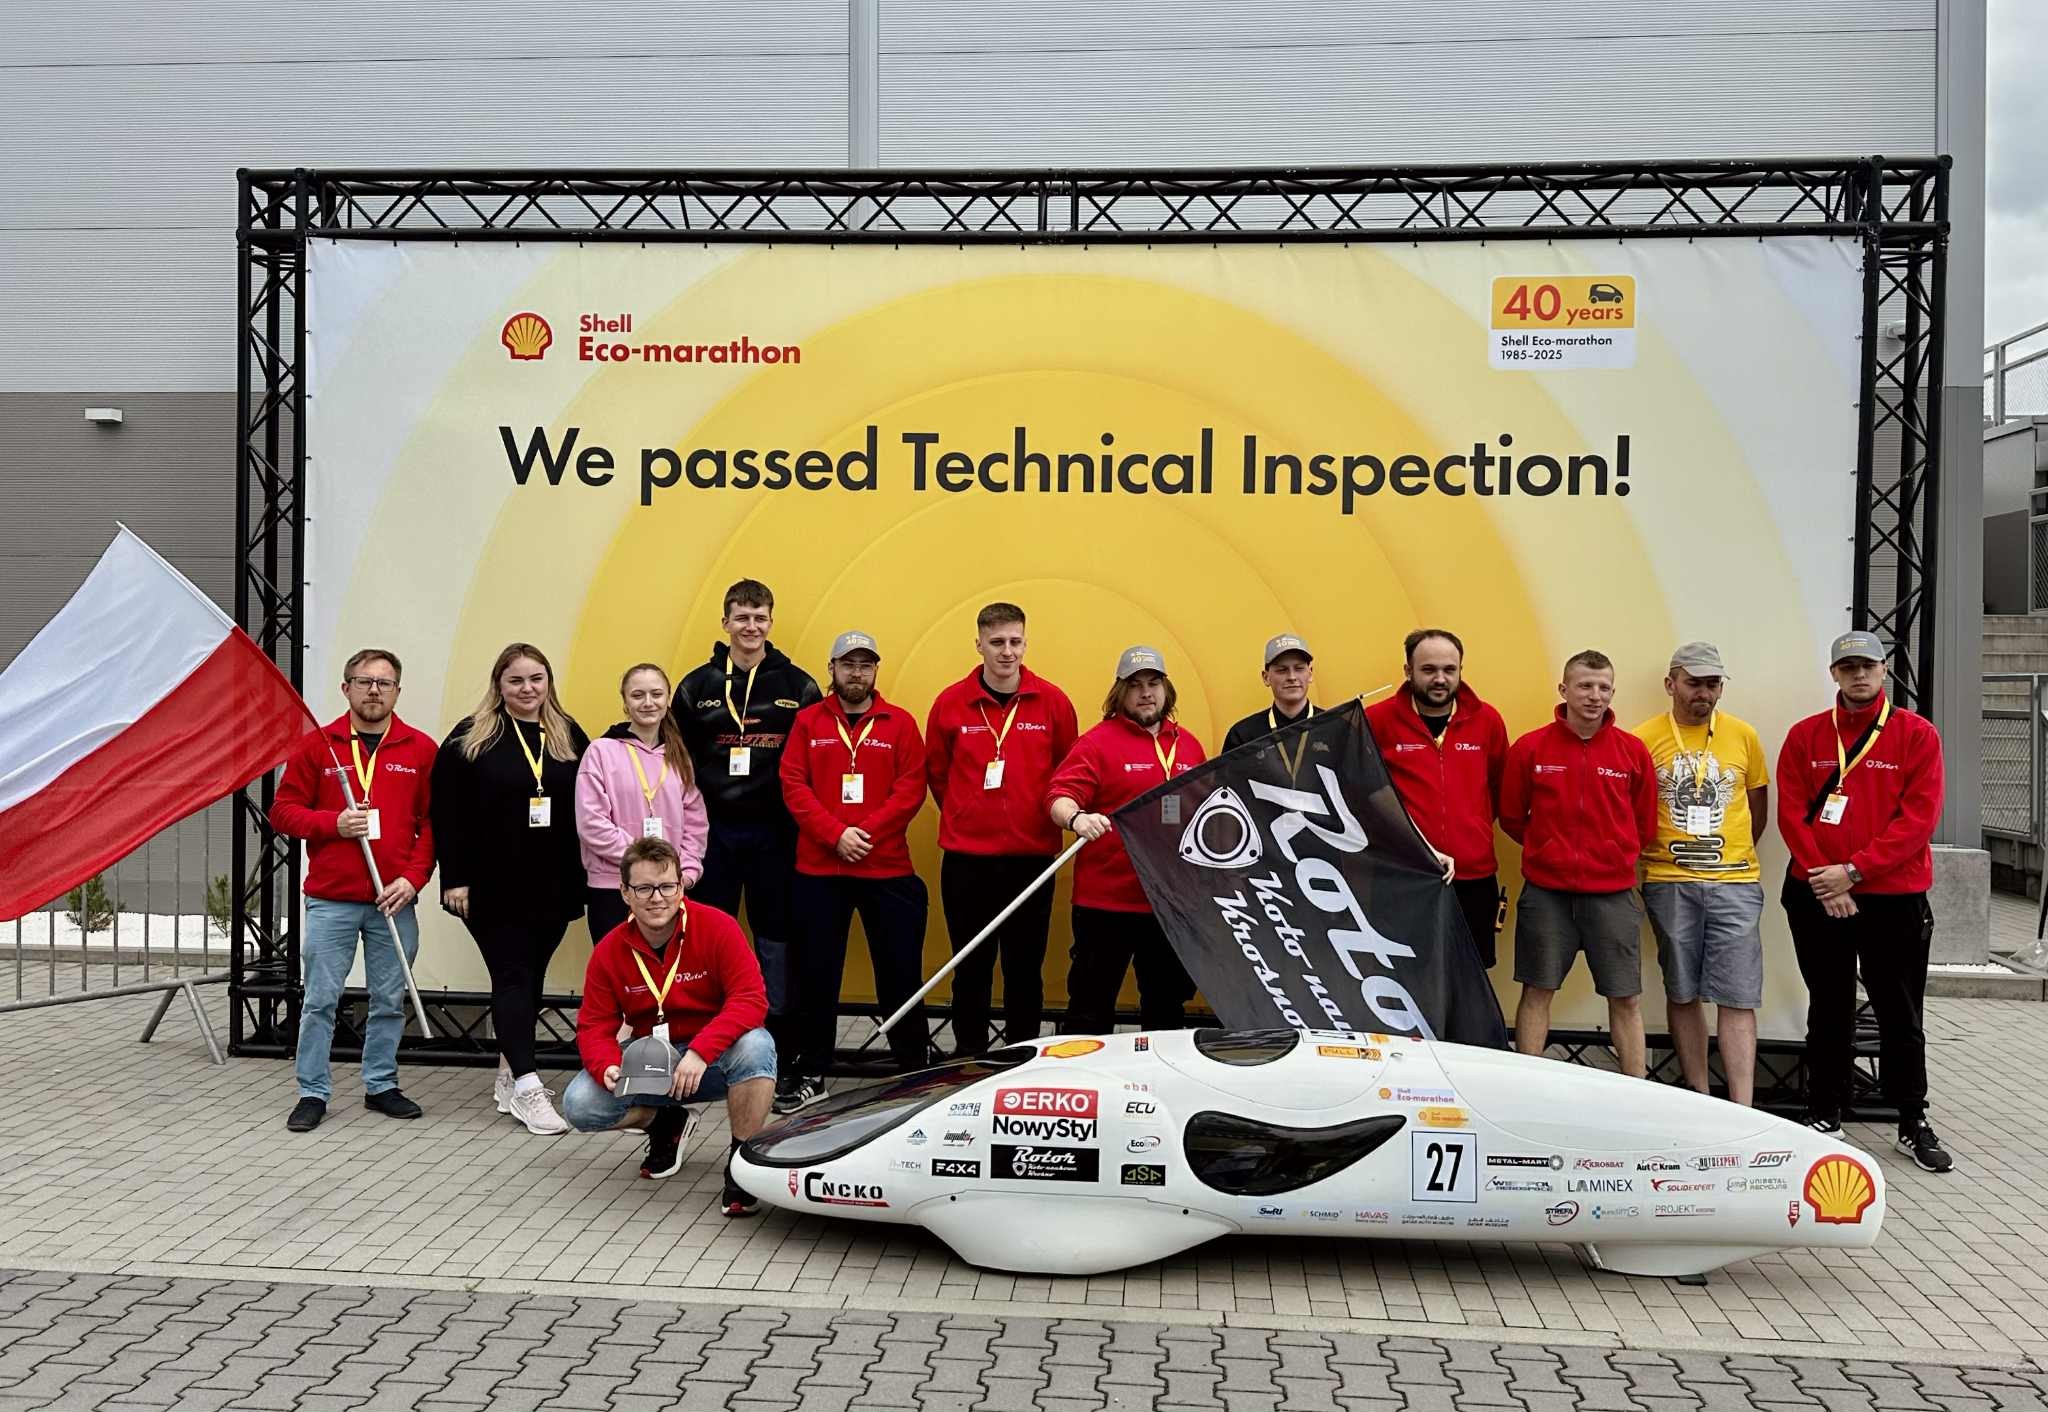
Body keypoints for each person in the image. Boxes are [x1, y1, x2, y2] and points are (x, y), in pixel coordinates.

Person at [1777, 631, 1950, 1171]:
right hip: (1818, 893)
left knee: (1900, 1012)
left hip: (1891, 896)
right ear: (1834, 673)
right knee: (1829, 1006)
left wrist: (1853, 872)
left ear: (1884, 670)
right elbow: (1791, 813)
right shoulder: (1806, 735)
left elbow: (1918, 821)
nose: (1858, 675)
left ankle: (1911, 1119)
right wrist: (1825, 881)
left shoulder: (1916, 734)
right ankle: (1825, 1112)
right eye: (1848, 667)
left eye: (1867, 666)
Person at [562, 836, 776, 1216]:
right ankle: (665, 1121)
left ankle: (741, 1166)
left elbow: (750, 999)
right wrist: (606, 1065)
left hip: (711, 1058)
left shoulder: (718, 927)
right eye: (644, 888)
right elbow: (594, 1025)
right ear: (625, 893)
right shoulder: (610, 950)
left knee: (757, 1046)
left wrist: (700, 1052)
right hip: (653, 1061)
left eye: (666, 886)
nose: (656, 898)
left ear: (681, 887)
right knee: (580, 1104)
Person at [269, 649, 436, 1132]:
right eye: (364, 681)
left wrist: (413, 879)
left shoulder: (420, 749)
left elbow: (432, 825)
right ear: (346, 688)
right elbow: (283, 812)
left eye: (384, 683)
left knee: (388, 999)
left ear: (398, 691)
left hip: (393, 899)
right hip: (332, 900)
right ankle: (312, 1091)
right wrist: (333, 824)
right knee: (321, 999)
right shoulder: (317, 746)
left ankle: (380, 1084)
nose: (374, 691)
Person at [430, 642, 591, 1135]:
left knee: (531, 980)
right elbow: (446, 812)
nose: (527, 689)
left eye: (536, 679)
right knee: (513, 976)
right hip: (491, 885)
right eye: (516, 680)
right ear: (499, 685)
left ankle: (507, 1074)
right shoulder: (471, 737)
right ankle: (527, 1086)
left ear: (549, 683)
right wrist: (454, 877)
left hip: (554, 883)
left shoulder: (567, 734)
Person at [777, 630, 931, 1111]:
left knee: (900, 974)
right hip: (819, 871)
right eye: (848, 664)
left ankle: (912, 1071)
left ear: (875, 670)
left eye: (865, 665)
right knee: (815, 976)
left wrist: (863, 833)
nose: (857, 673)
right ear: (832, 669)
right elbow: (793, 783)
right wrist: (834, 834)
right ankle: (813, 1071)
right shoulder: (807, 722)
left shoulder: (900, 724)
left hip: (886, 868)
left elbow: (911, 788)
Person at [674, 579, 821, 1083]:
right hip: (712, 834)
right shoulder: (696, 687)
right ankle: (708, 1042)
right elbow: (676, 760)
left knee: (775, 938)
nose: (750, 626)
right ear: (725, 623)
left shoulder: (798, 686)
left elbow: (813, 762)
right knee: (709, 935)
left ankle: (777, 1042)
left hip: (776, 835)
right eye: (742, 617)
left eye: (759, 618)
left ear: (771, 623)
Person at [924, 603, 1080, 1057]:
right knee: (970, 968)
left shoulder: (1053, 702)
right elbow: (938, 773)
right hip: (966, 862)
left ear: (1026, 643)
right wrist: (967, 816)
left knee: (1023, 969)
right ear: (979, 645)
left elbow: (1067, 771)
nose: (1006, 651)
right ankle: (970, 1061)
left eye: (1014, 641)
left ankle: (1020, 1058)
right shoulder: (950, 703)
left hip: (1031, 861)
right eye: (996, 642)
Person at [1499, 649, 1657, 1076]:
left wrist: (1612, 856)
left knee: (1626, 998)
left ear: (1612, 692)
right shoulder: (1530, 747)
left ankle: (1636, 1090)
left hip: (1613, 896)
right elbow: (1511, 816)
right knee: (1537, 990)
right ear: (1564, 689)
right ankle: (1526, 1083)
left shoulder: (1632, 751)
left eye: (1603, 687)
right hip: (1546, 895)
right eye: (1585, 686)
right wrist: (1548, 850)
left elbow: (1645, 824)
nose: (1594, 695)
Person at [1631, 642, 1772, 1106]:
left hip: (1735, 882)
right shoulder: (1643, 739)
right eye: (1694, 683)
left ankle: (1743, 1106)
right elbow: (1634, 810)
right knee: (1682, 991)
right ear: (1670, 684)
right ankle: (1699, 1095)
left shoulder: (1743, 735)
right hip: (1669, 880)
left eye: (1713, 684)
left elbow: (1757, 809)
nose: (1704, 693)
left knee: (1738, 995)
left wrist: (1730, 856)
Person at [1046, 646, 1208, 1035]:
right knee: (1090, 1006)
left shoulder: (1188, 745)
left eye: (1154, 683)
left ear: (1166, 689)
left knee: (1165, 1008)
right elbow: (1058, 797)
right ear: (1121, 692)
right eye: (1135, 685)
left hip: (1168, 903)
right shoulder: (1096, 743)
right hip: (1106, 904)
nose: (1146, 693)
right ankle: (1082, 1073)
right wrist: (1077, 818)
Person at [1366, 628, 1511, 967]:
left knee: (1470, 976)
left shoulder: (1487, 720)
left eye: (1449, 669)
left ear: (1461, 670)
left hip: (1473, 876)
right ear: (1408, 671)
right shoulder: (1376, 720)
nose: (1440, 679)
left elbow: (1497, 789)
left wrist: (1468, 834)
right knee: (1405, 975)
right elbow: (1365, 794)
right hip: (1403, 876)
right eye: (1429, 670)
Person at [576, 663, 708, 940]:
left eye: (656, 694)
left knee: (665, 965)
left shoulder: (678, 756)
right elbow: (592, 824)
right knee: (618, 966)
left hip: (667, 891)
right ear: (625, 702)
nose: (648, 703)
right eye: (638, 695)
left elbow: (696, 823)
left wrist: (686, 872)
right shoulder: (600, 752)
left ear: (667, 699)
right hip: (614, 888)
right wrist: (644, 863)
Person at [1221, 633, 1319, 753]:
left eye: (1299, 668)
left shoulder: (1334, 727)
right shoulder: (1243, 736)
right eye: (1282, 670)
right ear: (1266, 677)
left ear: (1310, 674)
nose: (1292, 677)